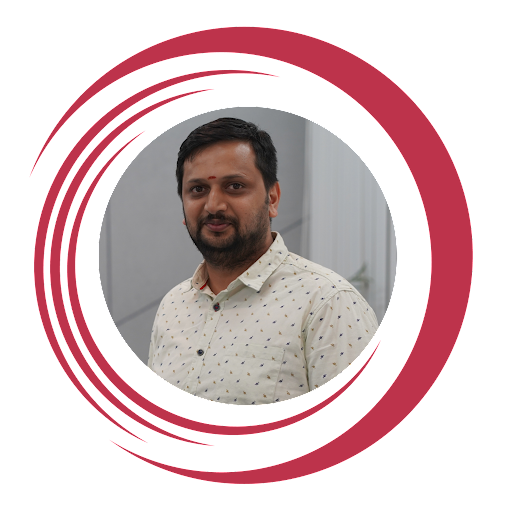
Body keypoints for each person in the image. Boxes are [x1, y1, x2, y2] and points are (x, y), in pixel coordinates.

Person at [148, 117, 378, 405]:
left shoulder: (327, 303)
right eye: (197, 189)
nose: (214, 205)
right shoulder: (173, 307)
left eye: (234, 186)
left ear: (273, 198)